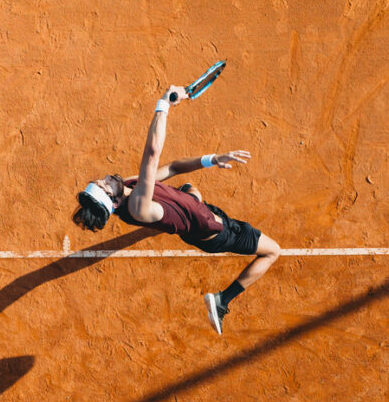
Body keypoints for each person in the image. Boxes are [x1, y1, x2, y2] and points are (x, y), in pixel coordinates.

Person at [73, 85, 281, 334]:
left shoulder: (128, 185)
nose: (105, 178)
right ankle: (222, 301)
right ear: (114, 203)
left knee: (190, 190)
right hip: (218, 232)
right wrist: (164, 105)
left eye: (100, 180)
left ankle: (188, 201)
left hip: (197, 213)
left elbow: (171, 168)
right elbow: (152, 154)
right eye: (105, 185)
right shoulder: (138, 206)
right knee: (272, 252)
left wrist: (212, 159)